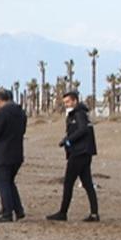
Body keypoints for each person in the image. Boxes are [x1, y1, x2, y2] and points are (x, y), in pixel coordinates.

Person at [47, 91, 100, 222]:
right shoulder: (77, 114)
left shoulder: (80, 114)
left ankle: (63, 213)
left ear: (75, 101)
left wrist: (68, 140)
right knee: (87, 183)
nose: (66, 105)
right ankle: (94, 214)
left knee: (69, 182)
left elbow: (83, 130)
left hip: (79, 153)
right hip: (82, 152)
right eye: (64, 102)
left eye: (68, 102)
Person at [0, 89, 27, 222]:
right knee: (9, 182)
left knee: (3, 183)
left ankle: (7, 213)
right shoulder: (21, 112)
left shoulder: (3, 112)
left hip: (4, 153)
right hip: (17, 152)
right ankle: (19, 210)